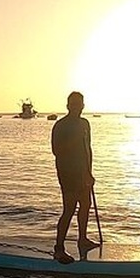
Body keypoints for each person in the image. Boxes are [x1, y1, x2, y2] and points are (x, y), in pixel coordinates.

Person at [51, 91, 99, 263]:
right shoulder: (60, 125)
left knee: (86, 205)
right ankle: (59, 248)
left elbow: (88, 149)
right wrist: (74, 140)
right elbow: (57, 151)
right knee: (69, 209)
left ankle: (82, 239)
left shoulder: (85, 123)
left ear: (83, 106)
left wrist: (89, 172)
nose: (77, 107)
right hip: (67, 172)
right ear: (68, 106)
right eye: (73, 104)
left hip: (82, 172)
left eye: (79, 104)